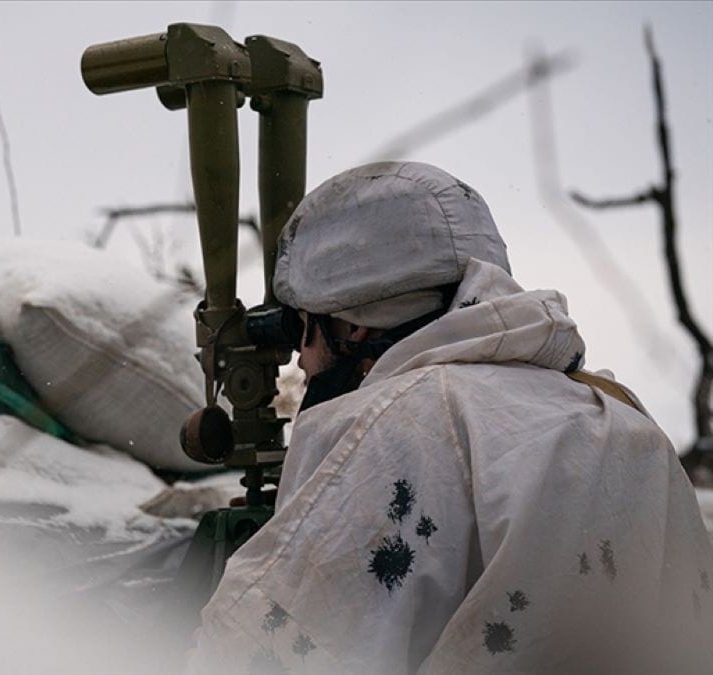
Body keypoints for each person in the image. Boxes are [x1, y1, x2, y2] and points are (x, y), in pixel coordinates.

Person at [186, 162, 712, 673]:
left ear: (355, 327)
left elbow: (269, 651)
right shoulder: (620, 413)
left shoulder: (403, 421)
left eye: (305, 328)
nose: (301, 359)